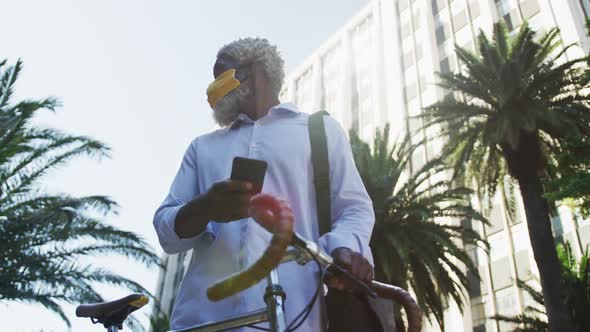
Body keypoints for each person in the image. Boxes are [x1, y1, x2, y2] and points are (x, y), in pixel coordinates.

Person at [153, 37, 376, 331]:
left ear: (252, 71)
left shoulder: (319, 131)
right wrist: (205, 207)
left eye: (221, 75)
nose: (213, 89)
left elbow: (354, 208)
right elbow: (166, 231)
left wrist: (344, 248)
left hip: (293, 315)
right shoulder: (202, 147)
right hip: (202, 321)